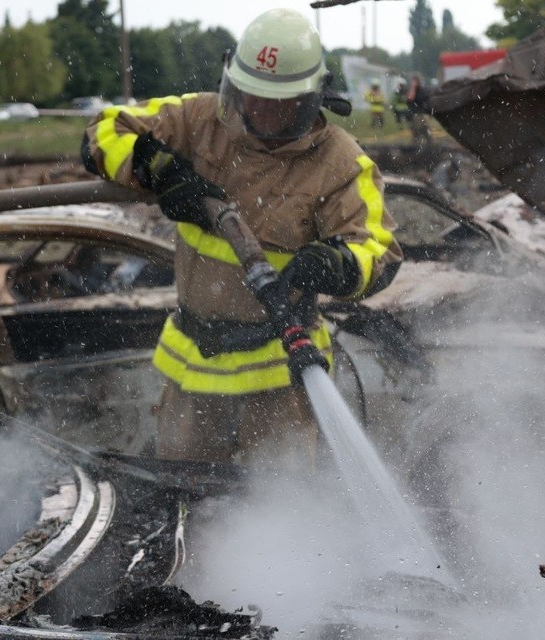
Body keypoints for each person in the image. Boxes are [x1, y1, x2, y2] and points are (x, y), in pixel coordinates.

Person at [81, 8, 402, 467]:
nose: (262, 111)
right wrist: (153, 165)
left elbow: (379, 250)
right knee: (183, 508)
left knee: (279, 513)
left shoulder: (342, 164)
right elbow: (104, 128)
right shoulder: (198, 120)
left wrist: (340, 264)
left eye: (280, 101)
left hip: (279, 380)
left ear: (313, 97)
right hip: (192, 373)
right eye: (253, 96)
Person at [406, 73, 432, 147]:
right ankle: (415, 145)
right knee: (416, 131)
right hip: (415, 114)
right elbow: (409, 99)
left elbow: (423, 101)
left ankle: (429, 145)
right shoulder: (412, 90)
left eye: (414, 81)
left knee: (425, 131)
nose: (412, 83)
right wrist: (413, 88)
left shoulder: (422, 91)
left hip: (422, 114)